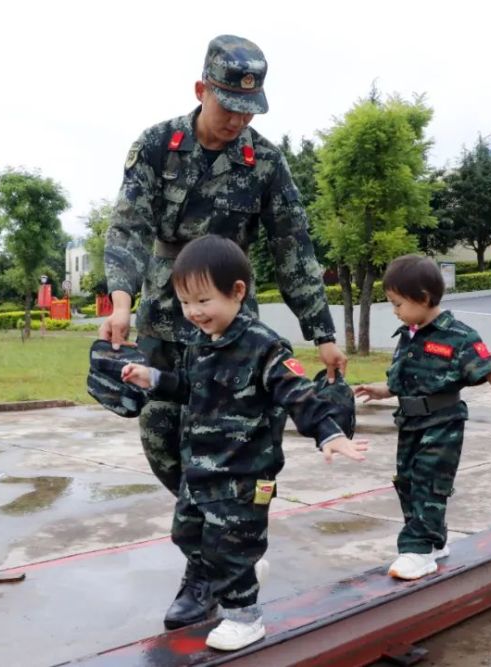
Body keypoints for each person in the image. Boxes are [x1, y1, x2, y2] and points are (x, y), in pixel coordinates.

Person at [101, 34, 347, 625]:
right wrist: (120, 300)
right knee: (164, 442)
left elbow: (293, 246)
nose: (238, 119)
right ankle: (219, 546)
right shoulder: (159, 144)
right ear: (200, 91)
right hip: (166, 314)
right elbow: (129, 226)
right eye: (228, 106)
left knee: (231, 454)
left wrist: (323, 332)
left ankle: (211, 567)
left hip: (232, 328)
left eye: (249, 109)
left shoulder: (265, 161)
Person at [121, 235, 367, 650]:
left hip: (243, 474)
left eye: (203, 300)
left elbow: (296, 392)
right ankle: (238, 579)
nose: (194, 313)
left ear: (237, 292)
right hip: (199, 470)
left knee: (231, 547)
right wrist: (155, 380)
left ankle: (244, 617)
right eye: (185, 303)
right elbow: (191, 389)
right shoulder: (200, 344)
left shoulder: (264, 345)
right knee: (187, 535)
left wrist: (329, 433)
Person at [354, 255, 491, 580]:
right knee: (407, 482)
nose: (395, 311)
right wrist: (381, 391)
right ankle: (434, 541)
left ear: (424, 298)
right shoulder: (410, 334)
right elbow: (404, 380)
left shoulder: (458, 334)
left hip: (443, 424)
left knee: (428, 484)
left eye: (398, 304)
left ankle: (416, 550)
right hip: (410, 423)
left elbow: (490, 367)